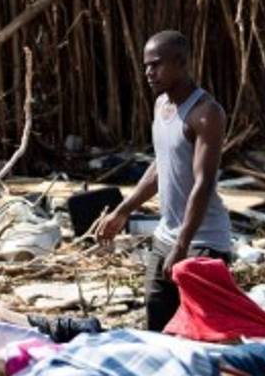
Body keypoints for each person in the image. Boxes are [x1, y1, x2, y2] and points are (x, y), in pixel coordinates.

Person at [96, 30, 232, 332]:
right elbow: (161, 166)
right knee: (157, 326)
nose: (148, 72)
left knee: (203, 333)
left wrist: (182, 246)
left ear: (181, 63)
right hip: (166, 237)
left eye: (156, 64)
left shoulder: (206, 114)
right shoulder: (161, 105)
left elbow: (203, 183)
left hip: (204, 242)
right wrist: (123, 210)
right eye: (146, 65)